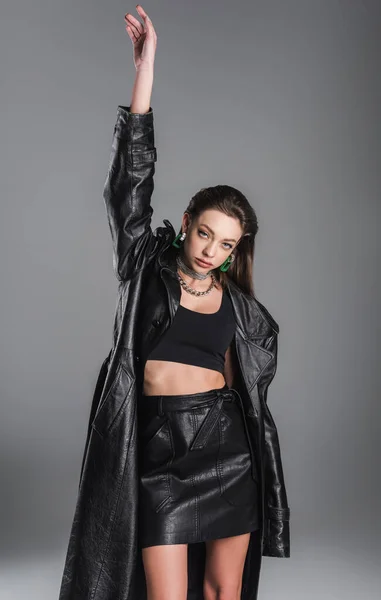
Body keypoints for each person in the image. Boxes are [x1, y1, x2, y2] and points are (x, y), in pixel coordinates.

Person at [59, 5, 290, 600]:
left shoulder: (244, 312)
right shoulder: (145, 268)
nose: (213, 250)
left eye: (228, 244)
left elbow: (248, 396)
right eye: (206, 233)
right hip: (160, 450)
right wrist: (146, 71)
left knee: (222, 593)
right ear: (186, 223)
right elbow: (129, 186)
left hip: (228, 450)